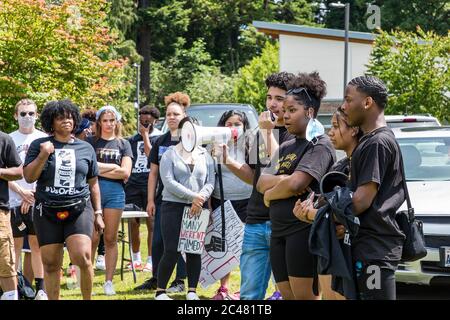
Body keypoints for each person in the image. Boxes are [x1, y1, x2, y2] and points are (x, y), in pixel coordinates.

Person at [256, 72, 335, 300]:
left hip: (302, 231)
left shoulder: (319, 145)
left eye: (292, 111)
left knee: (305, 298)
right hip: (278, 232)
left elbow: (298, 182)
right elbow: (262, 182)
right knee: (287, 297)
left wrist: (272, 195)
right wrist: (279, 186)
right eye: (286, 110)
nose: (285, 115)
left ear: (309, 112)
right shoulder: (287, 144)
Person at [221, 72, 295, 300]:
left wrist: (267, 132)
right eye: (269, 97)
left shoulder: (298, 134)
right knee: (249, 294)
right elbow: (255, 177)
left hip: (283, 223)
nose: (272, 103)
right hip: (254, 222)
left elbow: (281, 170)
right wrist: (228, 161)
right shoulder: (257, 134)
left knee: (285, 294)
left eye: (279, 98)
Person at [23, 99, 103, 300]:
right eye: (60, 118)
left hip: (79, 208)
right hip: (47, 211)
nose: (66, 121)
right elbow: (29, 176)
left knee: (82, 257)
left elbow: (93, 183)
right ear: (52, 121)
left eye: (69, 117)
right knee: (50, 263)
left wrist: (99, 213)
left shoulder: (86, 148)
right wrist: (43, 155)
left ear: (75, 120)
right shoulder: (38, 145)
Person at [338, 75, 405, 300]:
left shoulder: (377, 142)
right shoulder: (370, 141)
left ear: (367, 103)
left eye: (348, 100)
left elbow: (361, 200)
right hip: (365, 247)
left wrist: (323, 215)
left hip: (375, 251)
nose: (343, 106)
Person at [293, 107, 362, 299]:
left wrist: (315, 215)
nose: (330, 131)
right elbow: (327, 209)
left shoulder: (362, 165)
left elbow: (356, 211)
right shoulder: (339, 166)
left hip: (351, 255)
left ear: (354, 129)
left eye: (335, 126)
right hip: (328, 250)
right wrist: (309, 213)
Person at [155, 116, 215, 300]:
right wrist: (194, 197)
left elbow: (210, 181)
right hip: (172, 206)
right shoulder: (169, 154)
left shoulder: (205, 155)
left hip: (197, 208)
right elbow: (168, 182)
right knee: (171, 249)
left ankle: (192, 291)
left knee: (193, 250)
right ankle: (160, 291)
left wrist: (201, 198)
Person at [135, 92, 188, 292]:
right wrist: (150, 200)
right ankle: (157, 278)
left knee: (183, 241)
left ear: (184, 114)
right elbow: (153, 173)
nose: (172, 117)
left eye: (176, 114)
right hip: (164, 199)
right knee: (158, 240)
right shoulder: (161, 141)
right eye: (169, 114)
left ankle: (180, 281)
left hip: (187, 200)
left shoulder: (191, 139)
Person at [88, 105, 132, 296]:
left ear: (117, 122)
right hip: (91, 192)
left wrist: (98, 167)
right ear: (99, 122)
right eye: (104, 120)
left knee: (110, 238)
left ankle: (108, 281)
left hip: (115, 193)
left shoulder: (123, 144)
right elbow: (88, 170)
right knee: (92, 237)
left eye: (111, 120)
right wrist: (112, 169)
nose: (108, 124)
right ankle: (86, 276)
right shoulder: (90, 142)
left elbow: (125, 172)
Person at [210, 110, 253, 300]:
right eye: (229, 123)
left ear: (244, 127)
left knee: (246, 247)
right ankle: (224, 289)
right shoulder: (215, 146)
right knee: (224, 246)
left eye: (237, 124)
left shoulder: (251, 146)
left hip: (247, 202)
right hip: (222, 201)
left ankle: (245, 289)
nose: (233, 127)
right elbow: (210, 176)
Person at [8, 99, 48, 300]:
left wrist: (31, 195)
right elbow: (4, 172)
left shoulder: (43, 139)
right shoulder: (8, 139)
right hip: (12, 199)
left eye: (31, 113)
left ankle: (41, 288)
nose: (27, 117)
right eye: (23, 114)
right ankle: (13, 287)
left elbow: (47, 171)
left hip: (37, 198)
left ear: (37, 115)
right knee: (12, 246)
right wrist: (20, 192)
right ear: (16, 115)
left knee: (36, 244)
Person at [125, 105, 162, 272]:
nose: (145, 122)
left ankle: (151, 259)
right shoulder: (131, 140)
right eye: (142, 119)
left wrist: (146, 135)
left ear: (155, 121)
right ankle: (135, 258)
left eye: (148, 120)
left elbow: (150, 155)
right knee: (133, 222)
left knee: (151, 221)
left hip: (150, 183)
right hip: (133, 184)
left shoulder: (159, 138)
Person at [0, 130, 23, 300]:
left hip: (0, 211)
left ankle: (10, 296)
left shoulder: (4, 139)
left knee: (5, 261)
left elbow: (18, 171)